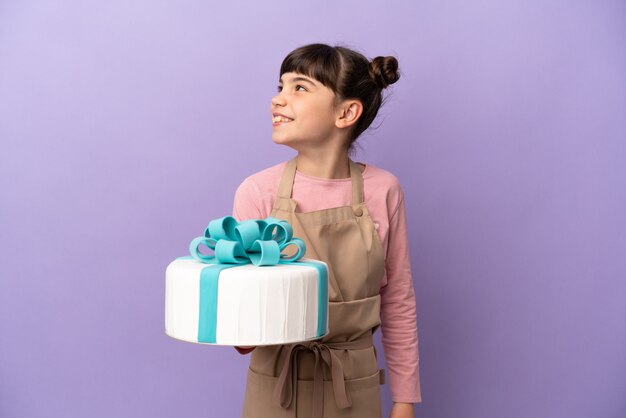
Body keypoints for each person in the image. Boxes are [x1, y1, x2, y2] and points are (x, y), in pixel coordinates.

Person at [231, 43, 421, 418]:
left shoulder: (384, 190)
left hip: (354, 385)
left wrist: (404, 400)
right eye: (280, 86)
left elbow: (397, 298)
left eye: (299, 88)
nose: (278, 100)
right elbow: (244, 333)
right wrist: (238, 318)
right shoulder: (257, 192)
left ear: (346, 112)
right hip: (277, 383)